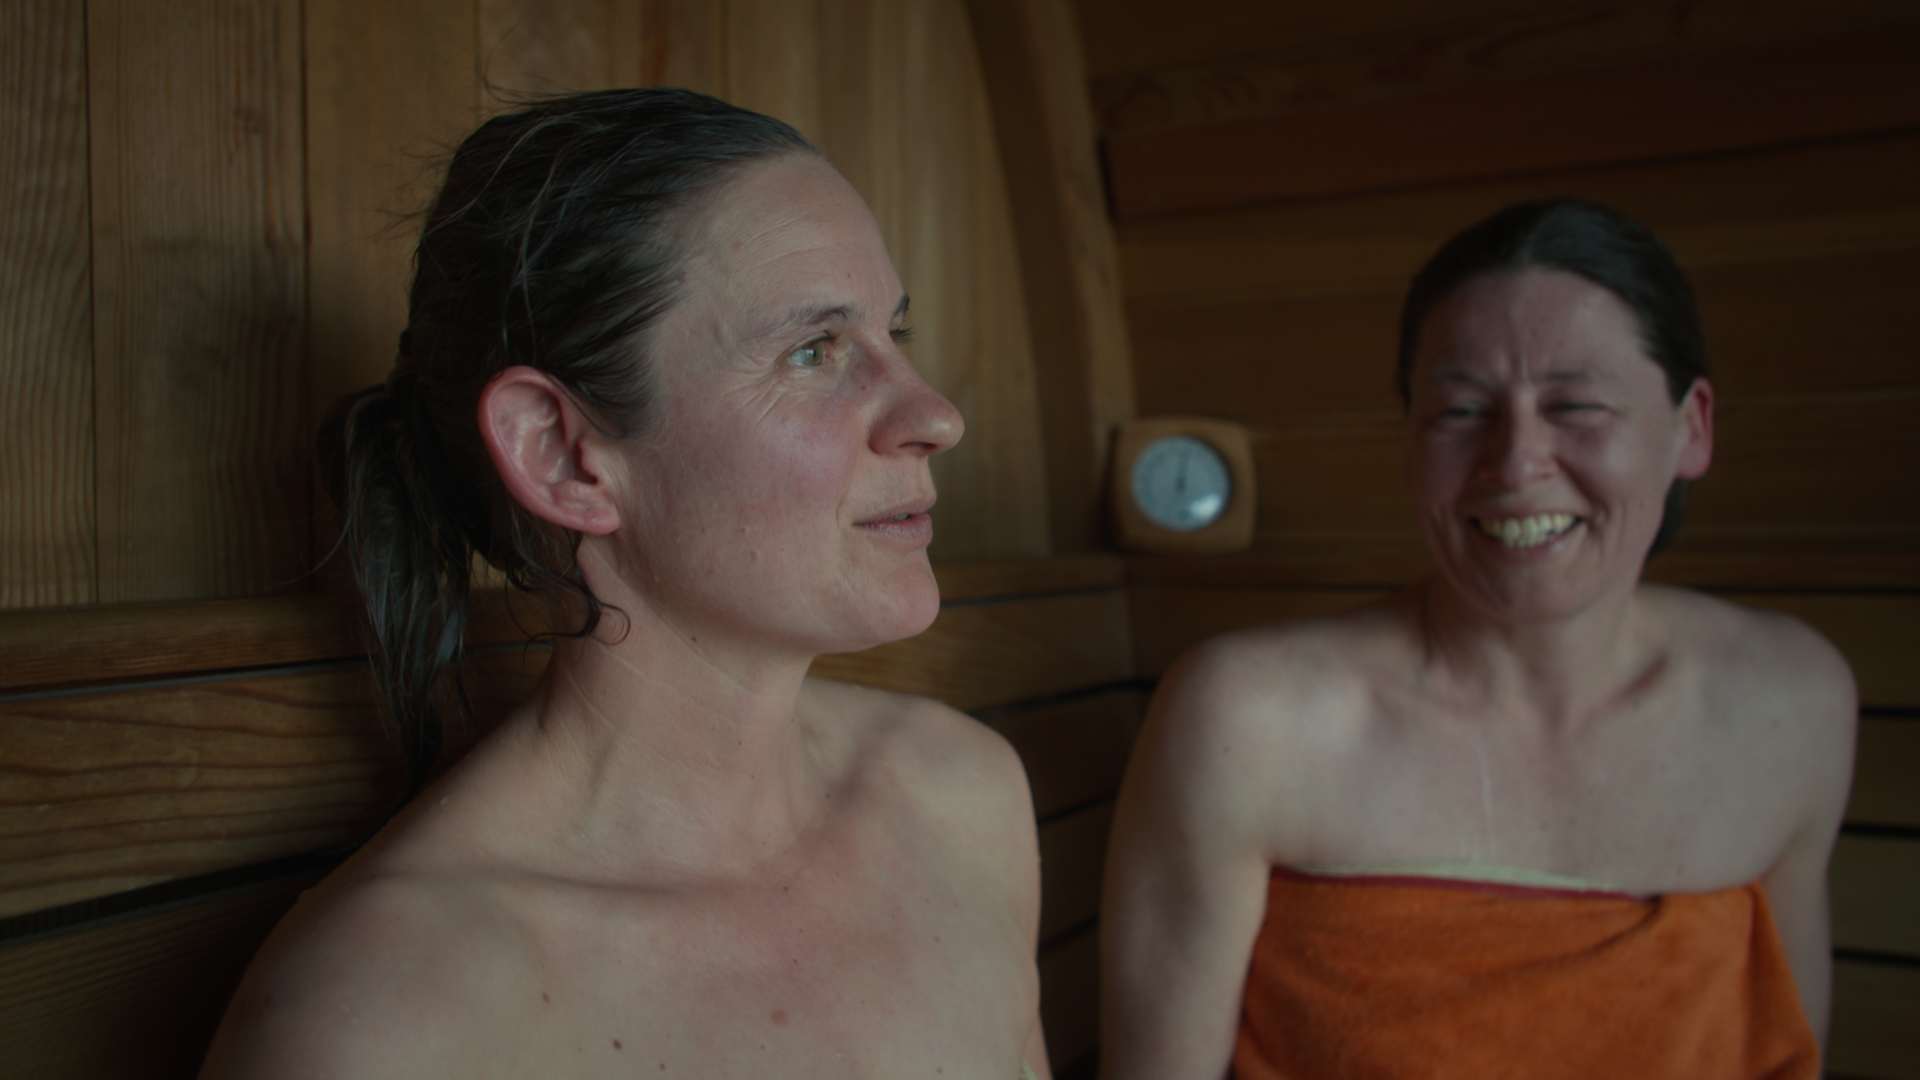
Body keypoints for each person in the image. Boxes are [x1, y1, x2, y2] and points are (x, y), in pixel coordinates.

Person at [200, 88, 1049, 1080]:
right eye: (814, 352)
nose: (936, 415)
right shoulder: (390, 1015)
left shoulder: (960, 797)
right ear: (565, 455)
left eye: (893, 336)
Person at [1100, 198, 1855, 1080]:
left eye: (1576, 405)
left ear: (1692, 429)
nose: (1516, 462)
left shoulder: (1788, 704)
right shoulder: (1247, 722)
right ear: (1409, 439)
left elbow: (1789, 1051)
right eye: (1460, 411)